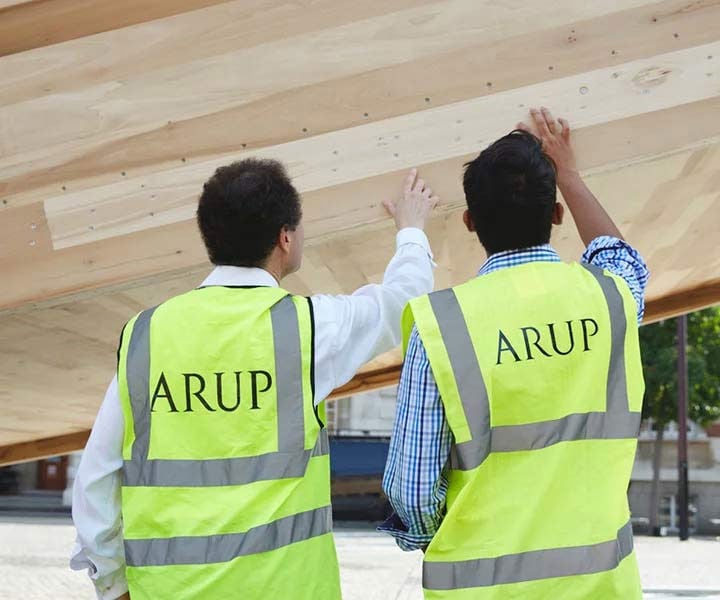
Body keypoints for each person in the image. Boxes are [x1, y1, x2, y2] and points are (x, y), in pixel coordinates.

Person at [70, 159, 439, 600]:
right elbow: (405, 303)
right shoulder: (308, 330)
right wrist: (411, 229)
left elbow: (96, 478)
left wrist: (112, 584)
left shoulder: (146, 336)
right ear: (286, 237)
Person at [381, 108, 649, 599]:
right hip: (602, 589)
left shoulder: (443, 326)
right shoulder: (611, 299)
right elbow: (620, 255)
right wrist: (567, 173)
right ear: (556, 214)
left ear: (469, 221)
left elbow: (412, 490)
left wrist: (443, 537)